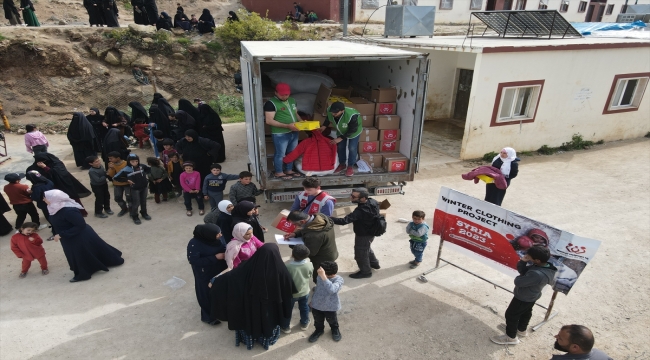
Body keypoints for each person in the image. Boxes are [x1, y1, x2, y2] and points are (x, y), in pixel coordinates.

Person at [209, 243, 296, 351]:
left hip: (249, 308)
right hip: (270, 311)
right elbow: (288, 293)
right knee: (268, 323)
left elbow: (230, 277)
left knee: (249, 321)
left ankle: (248, 340)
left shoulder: (247, 266)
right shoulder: (282, 272)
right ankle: (266, 340)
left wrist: (214, 281)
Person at [45, 190, 124, 282]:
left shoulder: (68, 210)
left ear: (55, 199)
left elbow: (80, 225)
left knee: (79, 255)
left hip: (78, 236)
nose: (44, 199)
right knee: (87, 252)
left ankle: (83, 274)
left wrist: (61, 234)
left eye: (46, 197)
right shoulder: (53, 207)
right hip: (69, 237)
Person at [491, 245, 557, 345]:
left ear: (537, 260)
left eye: (529, 256)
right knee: (526, 312)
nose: (527, 256)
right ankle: (521, 329)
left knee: (511, 315)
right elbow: (524, 271)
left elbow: (518, 282)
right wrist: (523, 262)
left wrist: (522, 276)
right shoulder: (546, 266)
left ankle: (510, 337)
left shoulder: (537, 274)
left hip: (523, 297)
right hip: (532, 296)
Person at [331, 187, 381, 278]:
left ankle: (366, 272)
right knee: (366, 247)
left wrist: (329, 218)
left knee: (360, 253)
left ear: (363, 198)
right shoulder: (373, 201)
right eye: (351, 195)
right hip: (372, 231)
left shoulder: (360, 211)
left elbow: (343, 221)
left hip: (363, 234)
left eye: (354, 197)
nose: (351, 198)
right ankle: (374, 263)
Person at [26, 152, 91, 216]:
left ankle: (80, 212)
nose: (42, 163)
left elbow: (59, 173)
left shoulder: (57, 163)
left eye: (44, 161)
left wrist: (45, 168)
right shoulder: (35, 167)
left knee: (71, 198)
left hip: (64, 184)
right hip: (52, 187)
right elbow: (32, 176)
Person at [187, 223, 226, 324]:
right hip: (205, 272)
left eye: (220, 233)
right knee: (206, 293)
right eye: (218, 234)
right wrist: (214, 258)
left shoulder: (218, 237)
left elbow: (224, 245)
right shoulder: (194, 244)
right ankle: (209, 316)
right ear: (208, 235)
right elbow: (194, 261)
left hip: (220, 268)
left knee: (221, 290)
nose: (221, 235)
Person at [285, 210, 338, 282]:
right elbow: (308, 228)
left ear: (302, 222)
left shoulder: (314, 236)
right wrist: (295, 234)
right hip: (330, 251)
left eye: (295, 224)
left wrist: (293, 245)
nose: (295, 226)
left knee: (319, 277)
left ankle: (320, 288)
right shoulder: (320, 217)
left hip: (321, 259)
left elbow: (310, 252)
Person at [264, 83, 302, 179]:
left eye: (286, 94)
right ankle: (279, 172)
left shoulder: (292, 100)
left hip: (294, 131)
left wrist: (301, 122)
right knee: (280, 153)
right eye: (282, 95)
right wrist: (287, 126)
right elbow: (269, 120)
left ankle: (288, 170)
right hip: (280, 133)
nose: (285, 97)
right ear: (276, 92)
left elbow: (295, 113)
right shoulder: (270, 104)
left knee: (292, 152)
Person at [320, 101, 362, 177]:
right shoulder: (330, 110)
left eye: (335, 113)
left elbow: (353, 129)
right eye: (332, 112)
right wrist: (324, 126)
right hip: (341, 130)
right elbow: (328, 118)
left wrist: (340, 138)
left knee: (352, 148)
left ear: (342, 111)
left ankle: (350, 166)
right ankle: (342, 164)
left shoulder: (351, 115)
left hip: (353, 132)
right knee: (340, 147)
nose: (333, 114)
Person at [280, 244, 313, 333]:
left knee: (287, 309)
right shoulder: (309, 264)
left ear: (293, 254)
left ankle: (286, 326)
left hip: (291, 294)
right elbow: (310, 275)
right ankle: (304, 323)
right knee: (304, 307)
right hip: (304, 291)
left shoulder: (287, 266)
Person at [308, 261, 343, 343]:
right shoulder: (320, 276)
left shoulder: (338, 280)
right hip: (317, 304)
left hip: (330, 306)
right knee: (318, 320)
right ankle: (319, 330)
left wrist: (324, 277)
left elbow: (332, 290)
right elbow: (318, 288)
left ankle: (335, 329)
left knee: (332, 320)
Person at [113, 153, 152, 225]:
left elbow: (149, 169)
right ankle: (135, 216)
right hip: (135, 189)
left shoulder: (142, 166)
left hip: (144, 187)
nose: (135, 163)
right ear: (129, 161)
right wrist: (126, 180)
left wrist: (145, 177)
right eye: (132, 161)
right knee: (136, 203)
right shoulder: (126, 169)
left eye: (136, 161)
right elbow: (115, 177)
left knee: (143, 201)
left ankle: (144, 213)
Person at [25, 171, 54, 238]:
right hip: (54, 201)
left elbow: (35, 197)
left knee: (50, 218)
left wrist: (31, 193)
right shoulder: (48, 181)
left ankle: (55, 231)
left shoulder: (36, 187)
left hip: (45, 204)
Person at [105, 151, 131, 217]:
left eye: (111, 158)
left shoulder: (126, 163)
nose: (109, 160)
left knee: (129, 197)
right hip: (117, 184)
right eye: (109, 158)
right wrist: (111, 169)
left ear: (118, 158)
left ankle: (132, 210)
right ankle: (124, 208)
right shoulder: (111, 164)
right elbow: (111, 175)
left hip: (127, 183)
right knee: (117, 197)